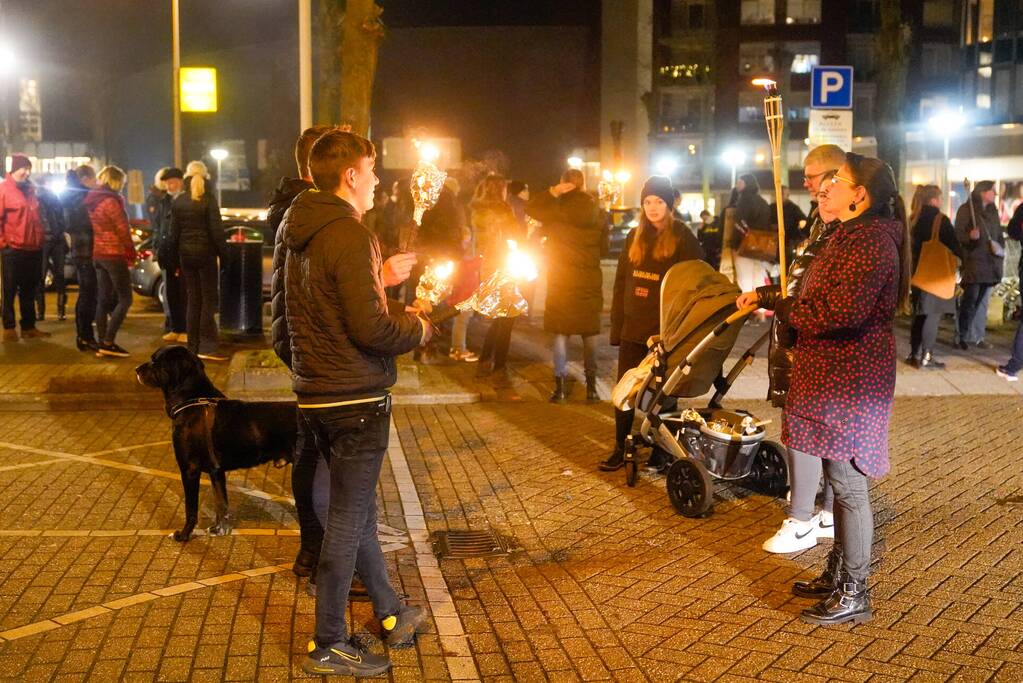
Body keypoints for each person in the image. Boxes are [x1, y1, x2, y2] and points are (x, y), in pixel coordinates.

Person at [281, 129, 428, 676]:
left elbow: (288, 316)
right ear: (350, 176)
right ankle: (328, 642)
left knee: (358, 511)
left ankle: (390, 614)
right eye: (371, 171)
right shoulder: (348, 231)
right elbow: (371, 329)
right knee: (346, 521)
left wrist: (306, 370)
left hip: (315, 392)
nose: (376, 181)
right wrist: (418, 327)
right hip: (355, 398)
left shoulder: (295, 228)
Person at [764, 153, 909, 625]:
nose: (825, 189)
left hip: (851, 377)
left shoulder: (871, 243)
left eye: (836, 182)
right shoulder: (848, 234)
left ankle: (854, 591)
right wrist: (783, 301)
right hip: (832, 373)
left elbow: (839, 313)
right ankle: (839, 571)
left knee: (848, 485)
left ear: (860, 195)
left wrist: (790, 313)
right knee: (836, 478)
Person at [738, 143, 845, 554]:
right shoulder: (822, 226)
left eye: (815, 178)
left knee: (806, 433)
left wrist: (784, 305)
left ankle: (803, 518)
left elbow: (818, 301)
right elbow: (797, 285)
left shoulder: (846, 235)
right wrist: (766, 295)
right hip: (800, 342)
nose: (808, 185)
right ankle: (823, 514)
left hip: (812, 349)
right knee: (811, 433)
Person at [602, 176, 703, 471]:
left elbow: (696, 284)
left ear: (669, 204)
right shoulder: (634, 236)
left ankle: (662, 450)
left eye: (659, 201)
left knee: (664, 395)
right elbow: (621, 284)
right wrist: (617, 328)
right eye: (648, 201)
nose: (653, 207)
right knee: (624, 392)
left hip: (665, 333)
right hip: (633, 330)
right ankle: (621, 446)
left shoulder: (684, 238)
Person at [526, 168, 603, 402]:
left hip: (561, 279)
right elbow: (606, 244)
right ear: (583, 184)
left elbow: (531, 209)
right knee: (589, 334)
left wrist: (552, 192)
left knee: (560, 333)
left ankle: (559, 389)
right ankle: (591, 388)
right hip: (589, 279)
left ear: (563, 183)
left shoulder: (556, 210)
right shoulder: (596, 210)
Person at [168, 161, 227, 361]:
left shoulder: (179, 201)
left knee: (193, 300)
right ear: (205, 176)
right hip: (206, 255)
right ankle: (208, 345)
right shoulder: (208, 199)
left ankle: (192, 345)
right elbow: (217, 231)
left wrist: (176, 259)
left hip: (186, 256)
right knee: (207, 301)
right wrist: (225, 255)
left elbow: (173, 234)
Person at [471, 174, 521, 376]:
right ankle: (499, 365)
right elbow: (515, 236)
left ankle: (485, 360)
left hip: (488, 266)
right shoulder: (503, 209)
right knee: (507, 316)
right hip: (505, 265)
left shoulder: (477, 209)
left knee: (499, 317)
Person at [86, 165, 136, 357]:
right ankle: (108, 341)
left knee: (103, 300)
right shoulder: (111, 202)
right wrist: (130, 252)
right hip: (114, 254)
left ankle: (101, 343)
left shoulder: (93, 201)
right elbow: (123, 230)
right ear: (115, 181)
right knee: (125, 299)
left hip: (98, 254)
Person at [907, 185, 959, 369]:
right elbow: (953, 244)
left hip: (917, 274)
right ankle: (927, 355)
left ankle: (914, 353)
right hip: (935, 275)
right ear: (934, 199)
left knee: (918, 315)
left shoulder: (914, 218)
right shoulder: (940, 220)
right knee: (932, 315)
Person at [0, 154, 48, 341]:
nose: (27, 172)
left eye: (29, 169)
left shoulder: (31, 190)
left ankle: (28, 327)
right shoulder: (4, 190)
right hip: (13, 248)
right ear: (13, 169)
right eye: (23, 168)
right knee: (10, 289)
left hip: (33, 247)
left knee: (29, 289)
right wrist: (4, 242)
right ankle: (9, 328)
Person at [954, 180, 1003, 350]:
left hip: (990, 263)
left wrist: (999, 250)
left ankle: (973, 335)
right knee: (970, 300)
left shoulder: (992, 211)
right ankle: (961, 334)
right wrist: (970, 237)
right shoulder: (966, 210)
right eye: (992, 191)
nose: (995, 194)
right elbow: (958, 234)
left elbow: (998, 234)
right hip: (974, 263)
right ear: (983, 192)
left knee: (980, 301)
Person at [64, 166, 99, 351]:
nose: (96, 183)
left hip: (82, 250)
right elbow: (83, 224)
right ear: (86, 179)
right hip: (85, 251)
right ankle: (85, 336)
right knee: (88, 294)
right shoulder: (81, 198)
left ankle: (84, 335)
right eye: (94, 179)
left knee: (88, 293)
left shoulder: (74, 196)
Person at [151, 167, 188, 343]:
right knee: (171, 293)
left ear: (181, 182)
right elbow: (158, 227)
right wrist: (155, 247)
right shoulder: (163, 201)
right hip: (166, 254)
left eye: (173, 182)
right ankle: (176, 327)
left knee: (183, 294)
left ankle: (185, 329)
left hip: (181, 254)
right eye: (167, 183)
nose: (170, 186)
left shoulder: (186, 199)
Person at [728, 173, 774, 313]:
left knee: (744, 278)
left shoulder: (744, 200)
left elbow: (739, 222)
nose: (737, 185)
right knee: (757, 276)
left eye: (740, 182)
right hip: (761, 246)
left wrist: (740, 239)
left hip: (745, 245)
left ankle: (745, 311)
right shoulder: (762, 201)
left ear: (746, 183)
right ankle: (761, 311)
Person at [36, 184, 68, 321]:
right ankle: (61, 310)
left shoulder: (36, 200)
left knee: (40, 276)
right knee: (59, 274)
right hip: (57, 238)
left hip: (44, 239)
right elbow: (63, 219)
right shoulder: (56, 199)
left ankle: (41, 312)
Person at [771, 186, 808, 266]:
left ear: (787, 195)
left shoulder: (793, 208)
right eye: (777, 194)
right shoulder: (771, 207)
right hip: (773, 243)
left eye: (782, 194)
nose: (779, 196)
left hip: (788, 242)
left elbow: (803, 220)